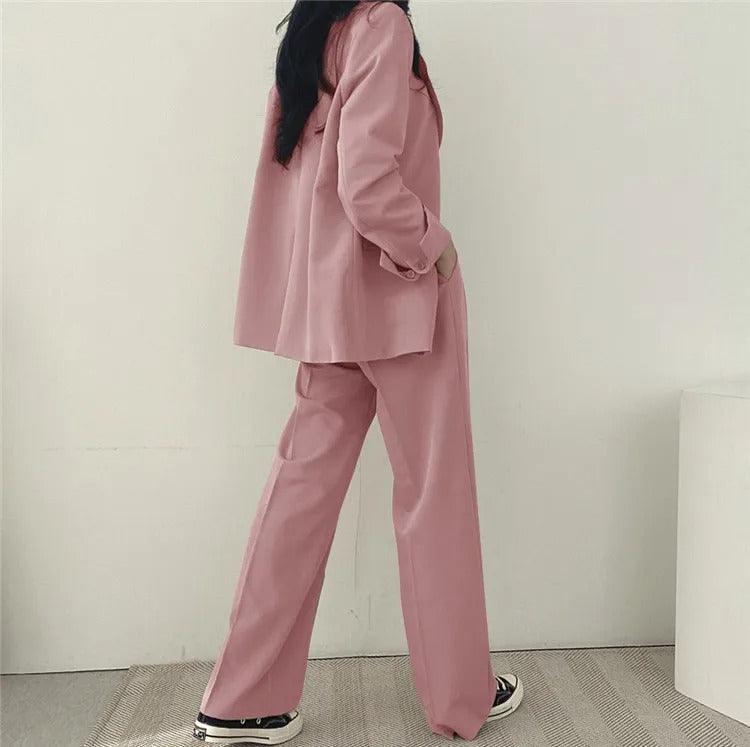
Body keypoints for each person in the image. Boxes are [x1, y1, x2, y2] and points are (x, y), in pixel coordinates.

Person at [192, 1, 523, 743]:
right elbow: (366, 181)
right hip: (399, 299)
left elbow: (315, 173)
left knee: (300, 494)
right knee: (434, 493)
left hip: (332, 308)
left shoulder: (320, 28)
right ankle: (459, 693)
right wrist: (433, 245)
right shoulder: (382, 26)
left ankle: (240, 697)